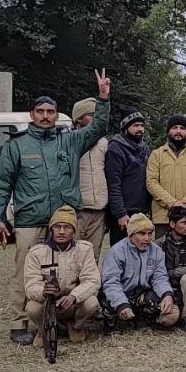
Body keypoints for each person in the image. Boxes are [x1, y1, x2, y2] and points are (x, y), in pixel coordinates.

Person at [0, 69, 110, 345]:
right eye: (40, 111)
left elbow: (98, 128)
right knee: (25, 271)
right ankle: (20, 322)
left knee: (71, 270)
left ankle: (66, 318)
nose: (45, 116)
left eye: (50, 112)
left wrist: (103, 99)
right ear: (32, 115)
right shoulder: (17, 146)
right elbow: (2, 184)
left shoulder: (71, 140)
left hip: (65, 219)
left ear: (57, 116)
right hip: (30, 220)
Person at [24, 206, 101, 345]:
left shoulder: (85, 249)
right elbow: (30, 285)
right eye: (57, 227)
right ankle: (43, 329)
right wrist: (43, 291)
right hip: (48, 304)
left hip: (72, 304)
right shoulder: (36, 253)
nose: (61, 231)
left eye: (67, 227)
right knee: (32, 307)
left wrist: (74, 296)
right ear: (51, 230)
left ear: (74, 231)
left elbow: (92, 280)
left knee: (91, 303)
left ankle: (76, 326)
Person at [99, 213, 178, 331]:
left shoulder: (156, 251)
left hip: (141, 295)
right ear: (131, 234)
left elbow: (160, 277)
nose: (147, 238)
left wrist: (167, 294)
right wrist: (121, 304)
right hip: (121, 293)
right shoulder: (117, 251)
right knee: (107, 298)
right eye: (142, 233)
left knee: (163, 303)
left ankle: (141, 319)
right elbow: (111, 282)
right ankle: (111, 322)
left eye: (149, 233)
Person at [146, 114, 186, 237]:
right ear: (168, 131)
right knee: (162, 248)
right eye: (174, 128)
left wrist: (185, 203)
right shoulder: (157, 155)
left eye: (182, 128)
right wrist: (172, 203)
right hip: (163, 218)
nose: (178, 131)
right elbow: (151, 182)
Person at [152, 206, 186, 334]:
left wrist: (172, 273)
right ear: (172, 224)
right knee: (168, 320)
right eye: (184, 222)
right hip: (166, 288)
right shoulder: (158, 244)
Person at [71, 98, 109, 260]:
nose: (96, 118)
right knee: (72, 255)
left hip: (100, 209)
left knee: (93, 257)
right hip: (77, 209)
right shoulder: (70, 141)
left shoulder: (104, 143)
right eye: (92, 115)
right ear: (79, 119)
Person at [105, 111, 151, 243]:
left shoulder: (145, 148)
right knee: (122, 250)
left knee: (141, 248)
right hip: (124, 211)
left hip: (142, 210)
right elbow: (113, 183)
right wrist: (120, 213)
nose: (140, 129)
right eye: (135, 125)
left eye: (142, 125)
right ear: (125, 128)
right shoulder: (115, 148)